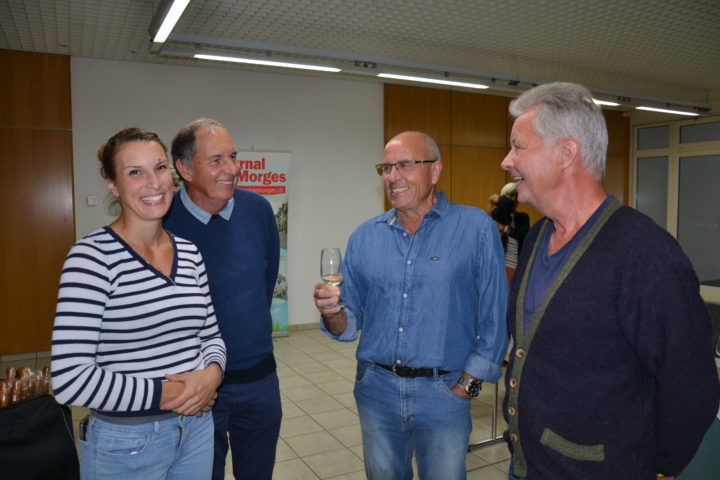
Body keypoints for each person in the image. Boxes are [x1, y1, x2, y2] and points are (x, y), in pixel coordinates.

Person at [500, 82, 720, 479]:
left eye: (518, 146)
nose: (506, 161)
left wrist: (660, 467)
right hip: (530, 465)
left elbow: (691, 385)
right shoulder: (537, 237)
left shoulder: (646, 255)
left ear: (566, 153)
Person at [313, 131, 509, 480]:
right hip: (376, 391)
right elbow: (348, 325)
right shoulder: (364, 236)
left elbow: (495, 319)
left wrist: (468, 388)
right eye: (386, 167)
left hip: (445, 393)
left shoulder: (475, 228)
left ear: (435, 170)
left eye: (404, 165)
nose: (392, 176)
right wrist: (332, 313)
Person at [51, 127, 226, 480]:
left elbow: (211, 336)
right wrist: (169, 393)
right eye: (135, 172)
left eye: (160, 168)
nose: (154, 182)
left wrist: (212, 375)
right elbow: (70, 378)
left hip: (196, 429)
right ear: (112, 185)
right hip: (126, 443)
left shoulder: (190, 253)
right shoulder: (91, 259)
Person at [163, 118, 281, 480]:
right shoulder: (162, 220)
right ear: (184, 168)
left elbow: (266, 280)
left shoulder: (258, 210)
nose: (231, 168)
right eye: (216, 159)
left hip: (259, 379)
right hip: (194, 387)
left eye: (233, 156)